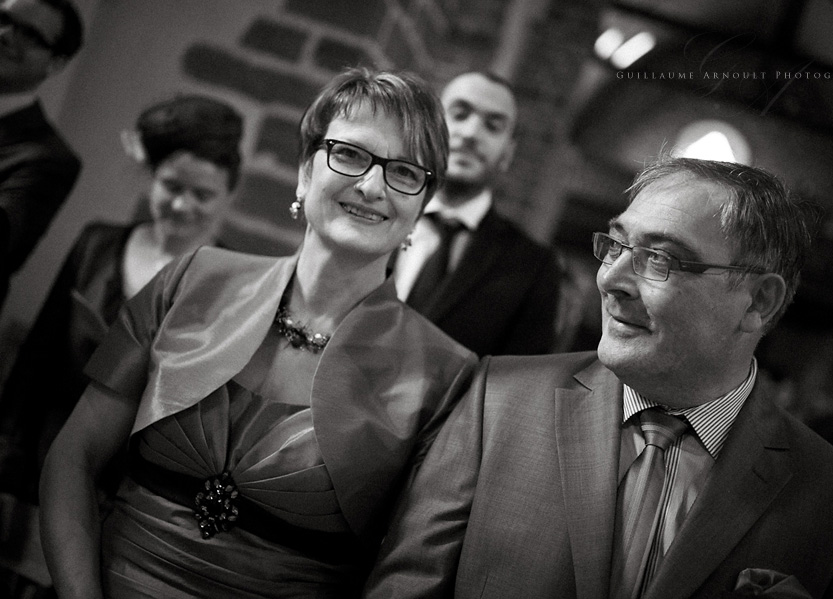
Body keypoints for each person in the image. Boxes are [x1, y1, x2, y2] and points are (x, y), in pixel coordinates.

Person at [364, 157, 833, 599]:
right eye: (616, 245)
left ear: (758, 301)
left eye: (659, 259)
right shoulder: (494, 402)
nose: (611, 280)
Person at [40, 68, 476, 598]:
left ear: (421, 207)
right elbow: (73, 459)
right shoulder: (191, 280)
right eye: (351, 154)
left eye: (405, 172)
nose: (371, 186)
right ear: (303, 170)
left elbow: (407, 575)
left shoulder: (445, 375)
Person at [0, 94, 243, 597]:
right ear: (150, 177)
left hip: (132, 504)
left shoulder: (230, 289)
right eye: (171, 186)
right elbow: (36, 362)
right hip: (42, 468)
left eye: (203, 194)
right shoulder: (97, 244)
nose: (182, 205)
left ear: (229, 196)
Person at [391, 71, 561, 356]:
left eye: (493, 126)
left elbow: (517, 382)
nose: (471, 134)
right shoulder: (377, 211)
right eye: (459, 114)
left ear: (508, 152)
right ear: (430, 126)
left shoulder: (533, 268)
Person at [0, 0, 83, 309]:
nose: (6, 35)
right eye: (3, 18)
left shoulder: (47, 160)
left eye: (30, 35)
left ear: (56, 63)